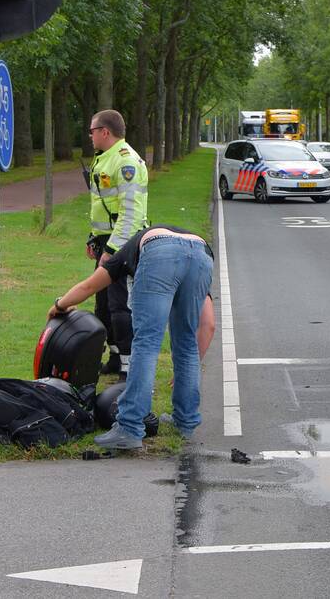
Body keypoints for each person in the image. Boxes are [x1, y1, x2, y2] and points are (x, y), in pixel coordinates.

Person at [48, 225, 215, 448]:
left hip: (160, 253)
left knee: (146, 342)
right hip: (203, 253)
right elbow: (208, 325)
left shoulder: (126, 251)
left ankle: (130, 427)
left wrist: (60, 305)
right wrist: (189, 369)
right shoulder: (192, 251)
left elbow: (89, 286)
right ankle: (184, 422)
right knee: (186, 344)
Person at [86, 110, 149, 378]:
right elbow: (104, 205)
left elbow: (131, 214)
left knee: (119, 304)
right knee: (102, 305)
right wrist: (95, 239)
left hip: (123, 244)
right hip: (107, 241)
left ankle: (128, 364)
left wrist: (111, 251)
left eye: (92, 130)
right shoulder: (106, 158)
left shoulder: (126, 163)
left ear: (105, 132)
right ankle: (114, 355)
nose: (89, 135)